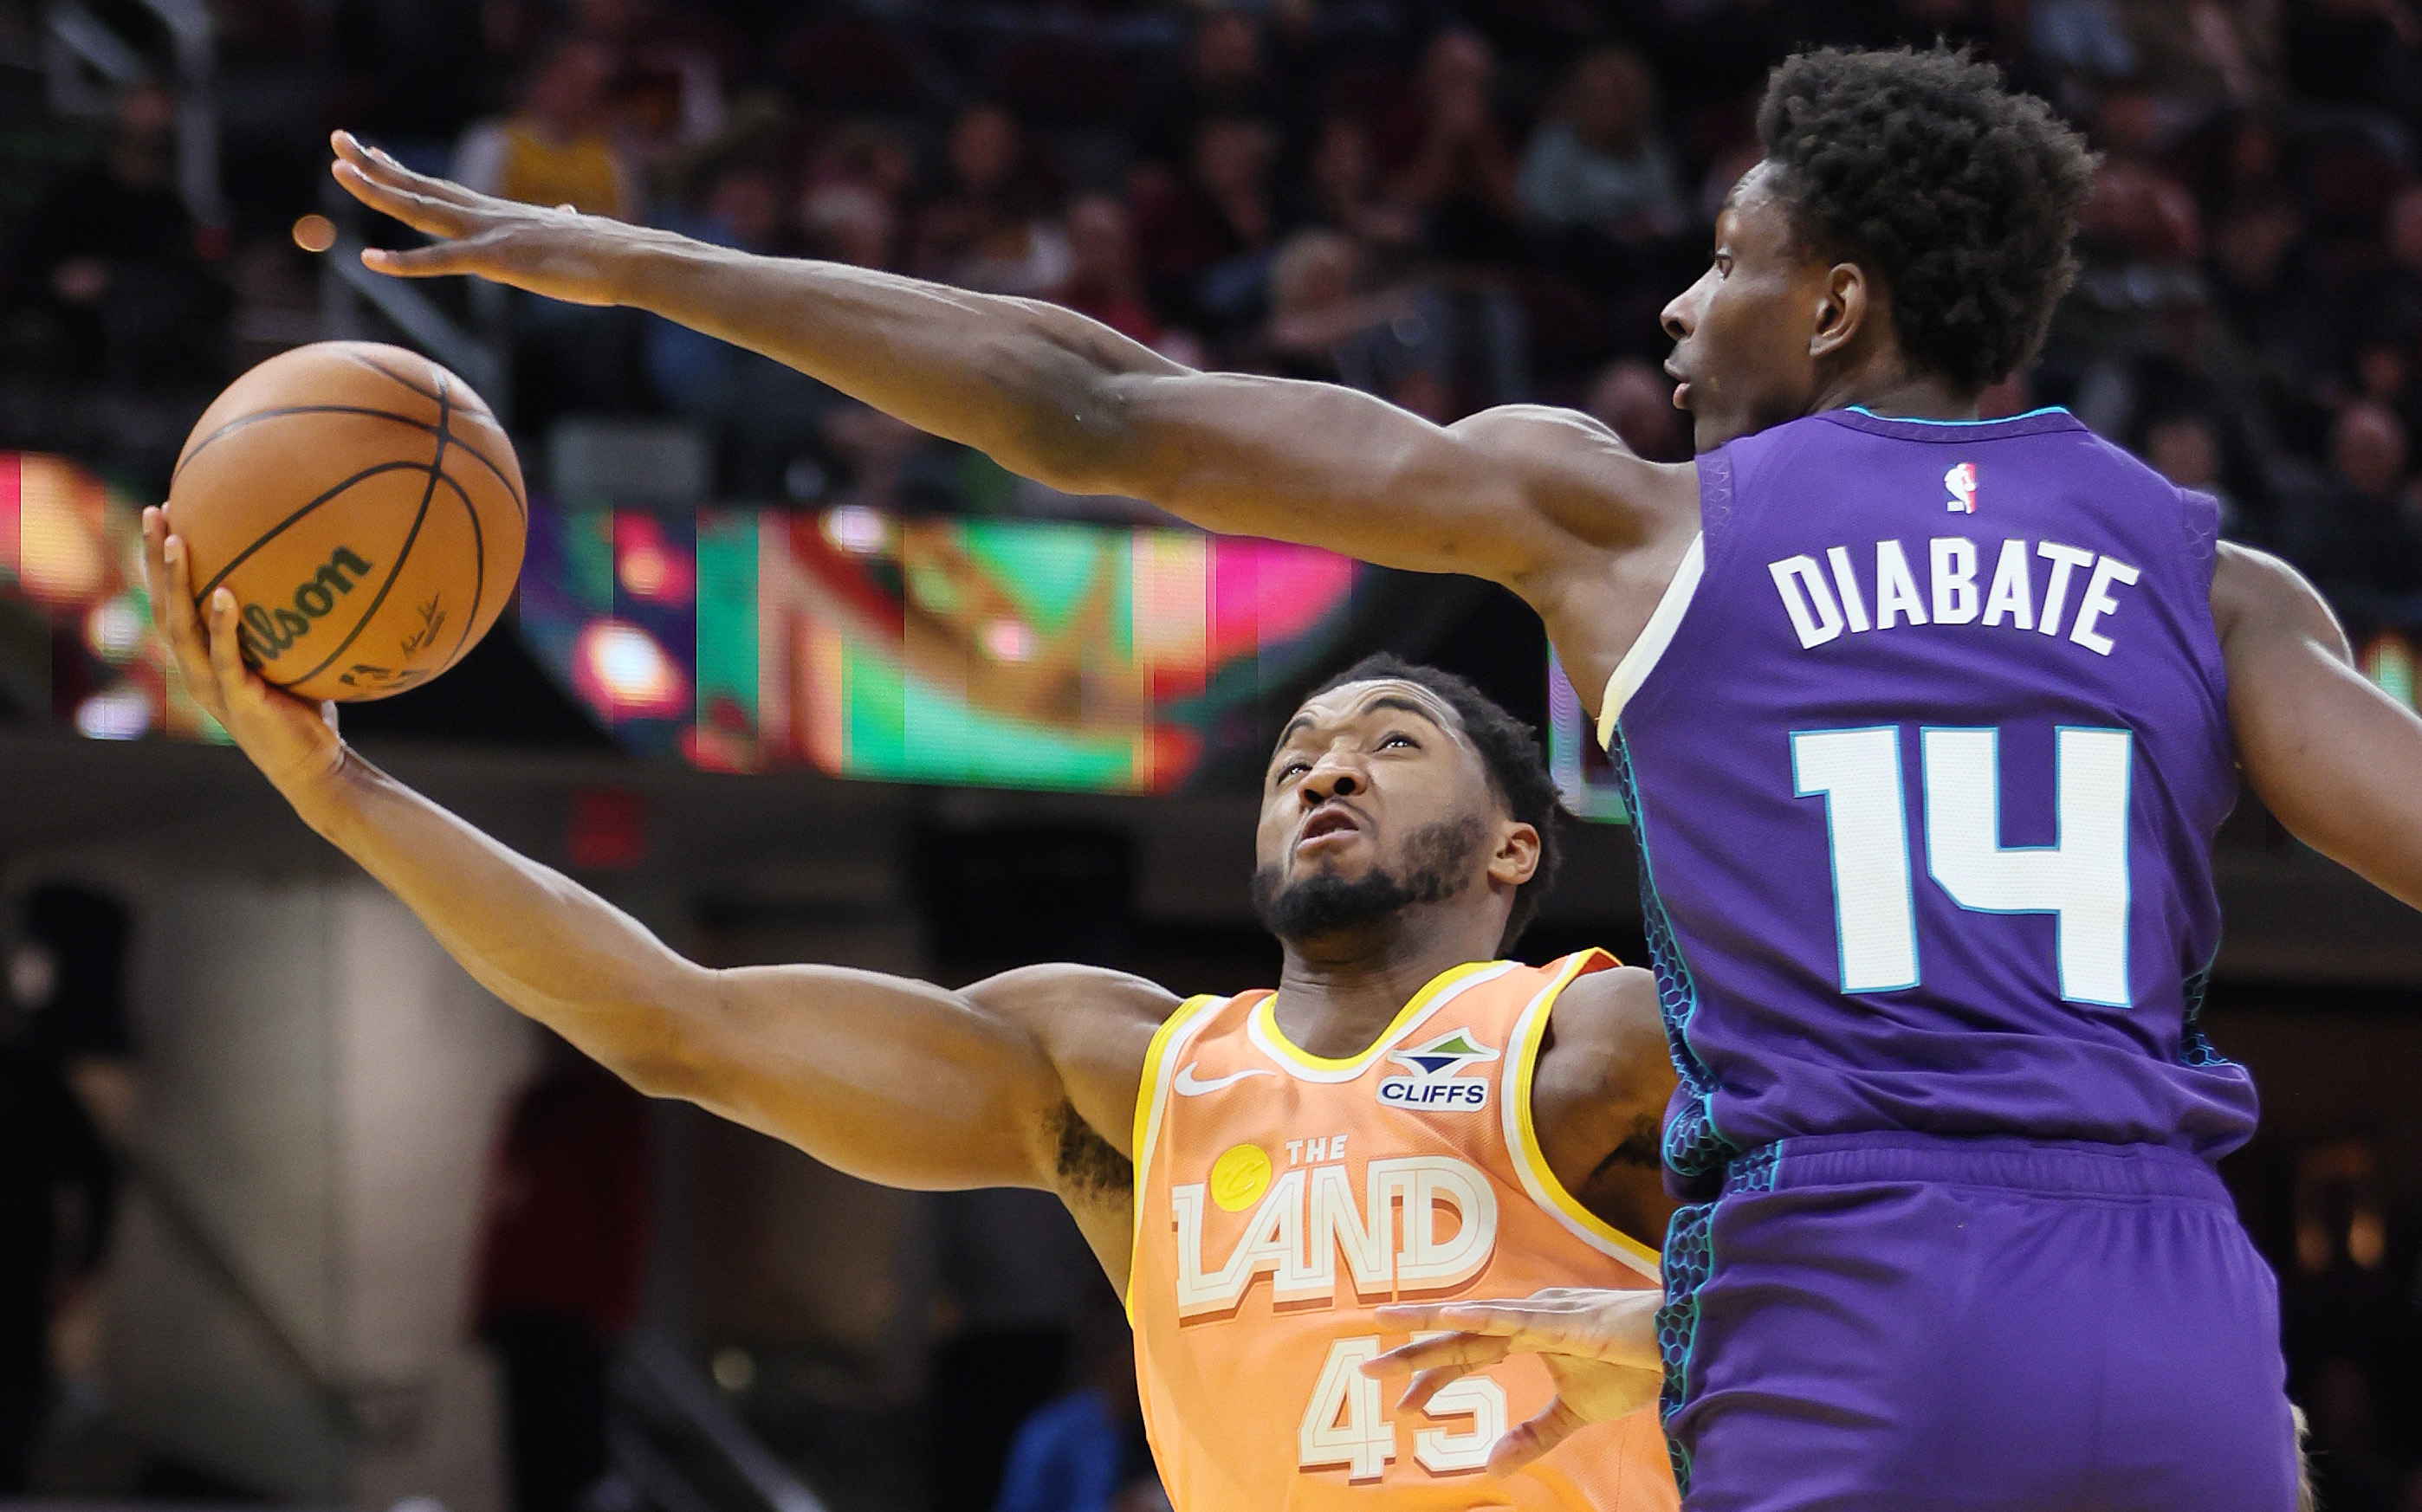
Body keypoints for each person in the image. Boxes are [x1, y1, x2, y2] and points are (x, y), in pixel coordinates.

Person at [320, 39, 2377, 1508]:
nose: (1679, 302)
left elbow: (1095, 407)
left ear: (1837, 306)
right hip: (2176, 1300)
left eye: (1731, 262)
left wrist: (637, 264)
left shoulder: (1632, 524)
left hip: (1863, 1310)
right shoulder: (2222, 584)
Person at [138, 475, 1682, 1512]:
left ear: (1514, 845)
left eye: (1393, 740)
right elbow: (675, 1022)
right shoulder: (1124, 1075)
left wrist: (1681, 1320)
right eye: (1293, 755)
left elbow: (1914, 1237)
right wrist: (338, 788)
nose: (1326, 762)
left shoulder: (1597, 1044)